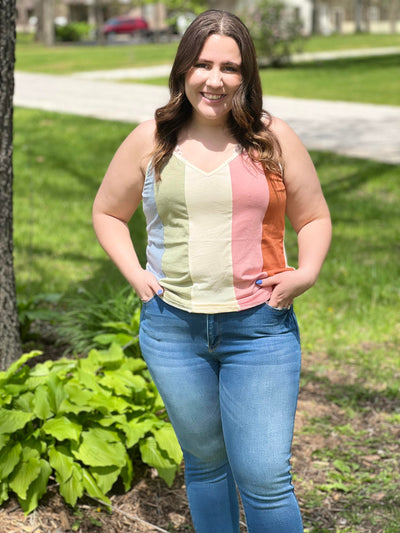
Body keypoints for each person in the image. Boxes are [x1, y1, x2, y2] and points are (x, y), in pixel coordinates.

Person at [92, 9, 331, 533]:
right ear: (184, 70)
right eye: (203, 64)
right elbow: (108, 212)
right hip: (172, 330)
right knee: (204, 464)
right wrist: (136, 274)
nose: (216, 80)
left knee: (265, 476)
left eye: (231, 67)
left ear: (246, 76)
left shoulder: (272, 138)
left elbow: (312, 216)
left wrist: (306, 272)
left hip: (259, 330)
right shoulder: (151, 139)